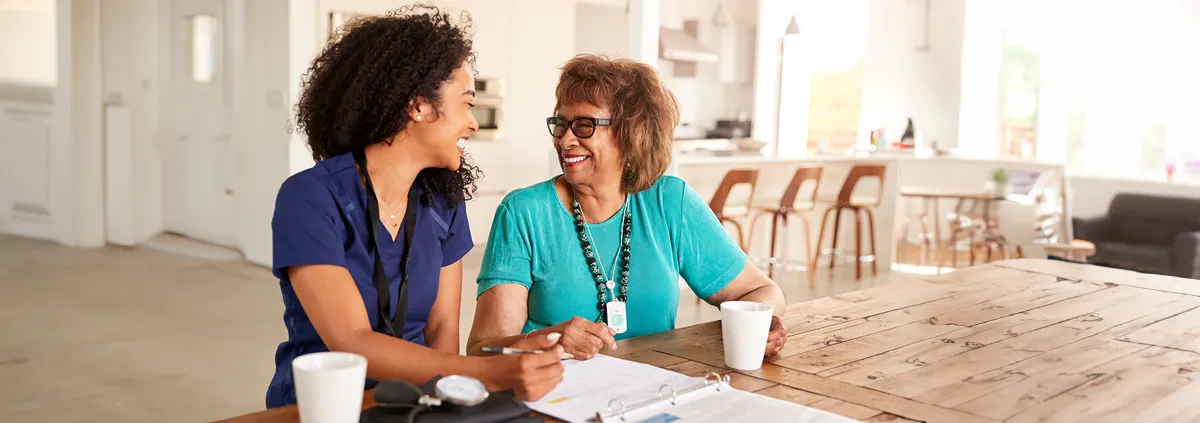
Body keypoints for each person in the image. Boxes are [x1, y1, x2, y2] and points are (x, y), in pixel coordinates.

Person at [266, 5, 563, 408]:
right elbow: (351, 339)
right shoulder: (309, 198)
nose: (473, 123)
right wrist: (489, 374)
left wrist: (452, 400)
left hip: (416, 403)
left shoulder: (443, 200)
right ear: (418, 106)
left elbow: (442, 328)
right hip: (324, 405)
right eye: (466, 103)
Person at [466, 54, 789, 360]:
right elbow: (484, 348)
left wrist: (761, 326)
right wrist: (547, 340)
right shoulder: (524, 212)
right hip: (556, 393)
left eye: (584, 126)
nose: (565, 140)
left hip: (657, 388)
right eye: (561, 124)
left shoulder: (669, 202)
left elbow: (761, 291)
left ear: (631, 133)